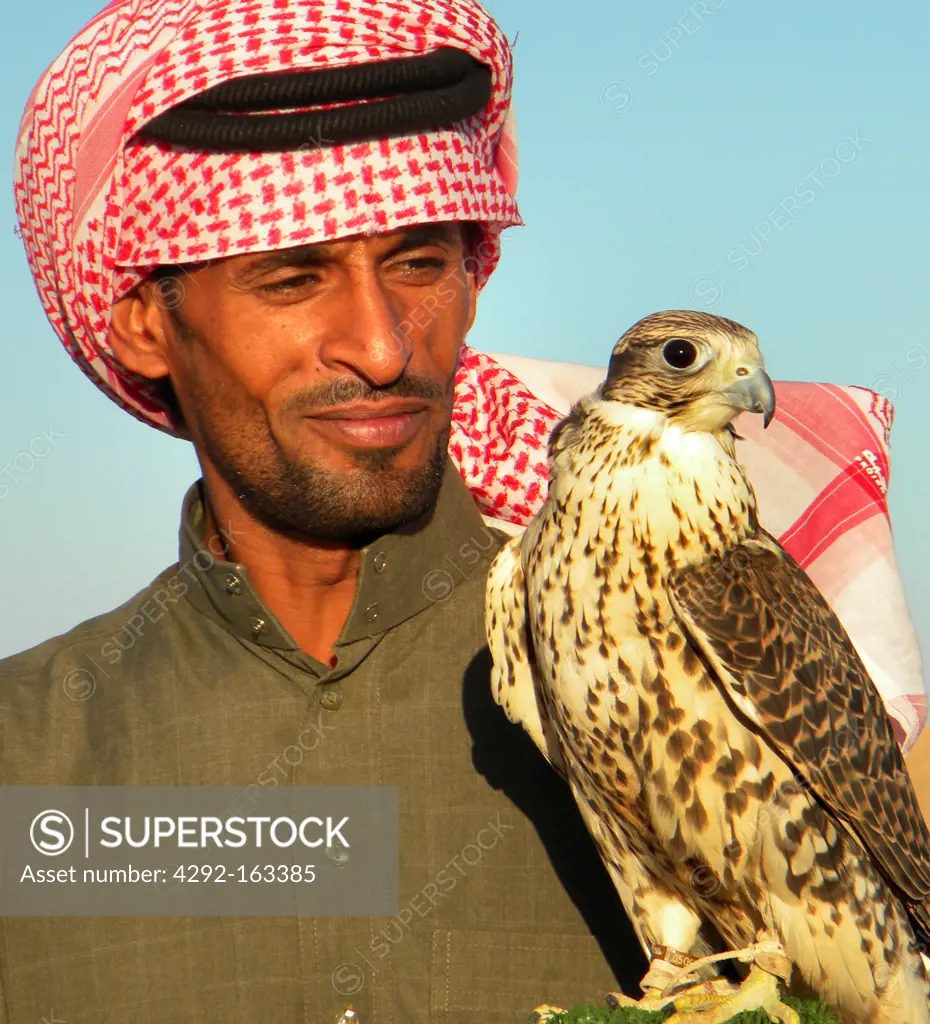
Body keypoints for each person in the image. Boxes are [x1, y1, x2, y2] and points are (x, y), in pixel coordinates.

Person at [1, 1, 638, 1022]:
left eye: (419, 264)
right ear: (143, 324)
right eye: (294, 279)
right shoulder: (22, 764)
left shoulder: (660, 682)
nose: (384, 346)